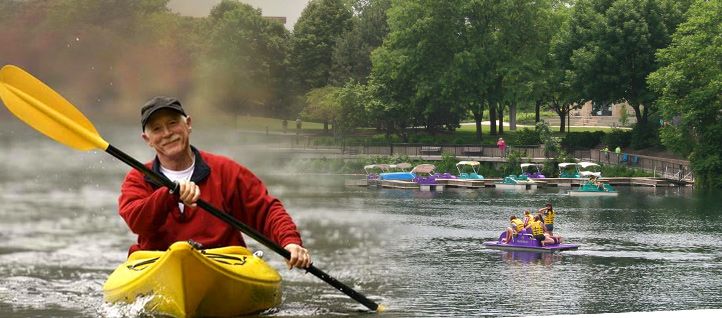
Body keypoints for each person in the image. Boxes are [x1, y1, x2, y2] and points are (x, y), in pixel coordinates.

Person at [118, 96, 311, 270]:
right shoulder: (137, 178)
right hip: (159, 266)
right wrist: (170, 194)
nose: (167, 133)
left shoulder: (226, 171)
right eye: (157, 129)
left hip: (223, 264)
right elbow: (137, 222)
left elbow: (266, 210)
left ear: (188, 124)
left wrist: (289, 242)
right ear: (147, 139)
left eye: (172, 123)